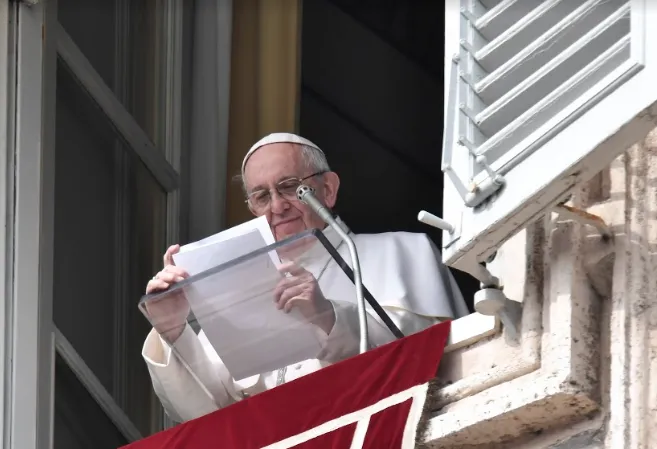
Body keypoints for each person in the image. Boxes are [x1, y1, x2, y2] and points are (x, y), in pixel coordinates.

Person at [141, 133, 469, 423]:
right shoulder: (235, 284)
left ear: (327, 189)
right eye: (261, 196)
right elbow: (209, 414)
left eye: (288, 187)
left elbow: (428, 360)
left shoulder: (402, 251)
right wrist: (174, 330)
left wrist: (328, 317)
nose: (277, 206)